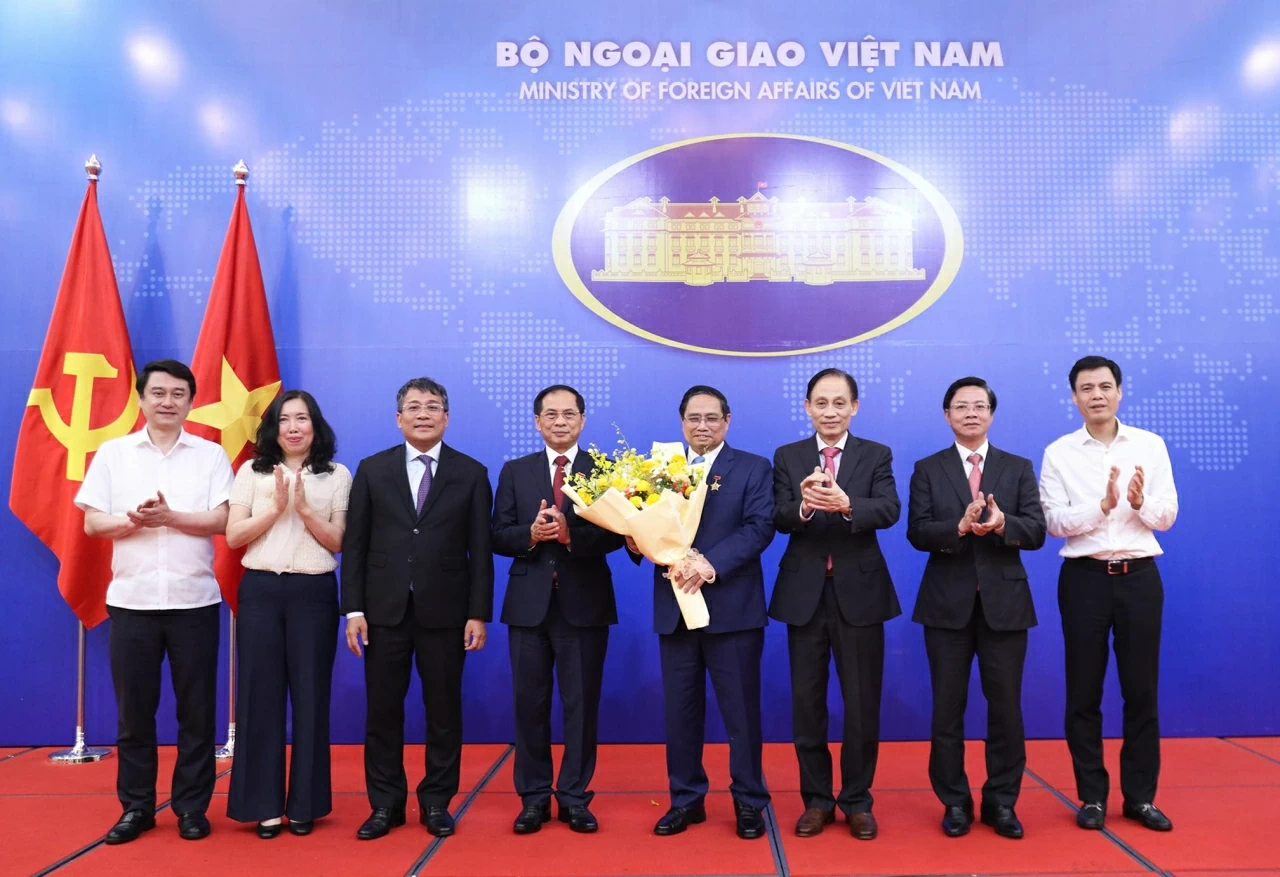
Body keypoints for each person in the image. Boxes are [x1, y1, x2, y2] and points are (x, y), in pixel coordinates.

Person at [75, 359, 234, 845]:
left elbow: (223, 520)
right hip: (132, 601)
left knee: (197, 711)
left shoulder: (210, 455)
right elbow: (92, 524)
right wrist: (134, 522)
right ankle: (137, 808)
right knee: (134, 713)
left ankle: (191, 808)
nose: (168, 402)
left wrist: (171, 516)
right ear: (141, 399)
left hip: (194, 601)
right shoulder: (113, 454)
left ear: (191, 400)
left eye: (179, 394)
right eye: (158, 393)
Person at [341, 377, 494, 840]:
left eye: (432, 407)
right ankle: (385, 805)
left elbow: (480, 551)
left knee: (444, 711)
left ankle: (435, 803)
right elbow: (357, 544)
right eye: (414, 406)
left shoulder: (471, 472)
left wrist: (478, 612)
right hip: (383, 612)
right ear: (398, 418)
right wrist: (354, 611)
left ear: (446, 418)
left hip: (446, 613)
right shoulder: (372, 469)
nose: (423, 413)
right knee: (382, 713)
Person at [1040, 355, 1178, 833]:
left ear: (1120, 391)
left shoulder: (1150, 445)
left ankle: (1140, 797)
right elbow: (1053, 522)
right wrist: (1099, 508)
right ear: (1074, 397)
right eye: (1086, 388)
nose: (1096, 395)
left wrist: (1141, 503)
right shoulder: (1059, 452)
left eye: (1104, 386)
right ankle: (1092, 797)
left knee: (1142, 691)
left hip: (1140, 577)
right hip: (1084, 580)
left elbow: (1167, 516)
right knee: (1084, 691)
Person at [907, 377, 1046, 840]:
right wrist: (959, 527)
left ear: (991, 413)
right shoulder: (928, 468)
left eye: (979, 405)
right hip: (946, 606)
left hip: (1005, 605)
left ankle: (1002, 802)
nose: (971, 413)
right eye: (961, 406)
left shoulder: (1018, 467)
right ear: (946, 415)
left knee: (1005, 708)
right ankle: (955, 802)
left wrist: (1004, 524)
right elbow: (918, 531)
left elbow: (1037, 531)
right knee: (947, 709)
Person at [633, 385, 775, 840]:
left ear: (727, 422)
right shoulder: (657, 471)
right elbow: (641, 526)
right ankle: (685, 799)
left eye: (712, 418)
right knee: (681, 711)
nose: (702, 426)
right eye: (694, 418)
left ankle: (750, 801)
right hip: (675, 609)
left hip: (731, 609)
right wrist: (634, 540)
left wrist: (709, 564)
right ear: (681, 422)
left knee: (741, 714)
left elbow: (759, 527)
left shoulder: (752, 467)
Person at [768, 368, 900, 841]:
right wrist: (804, 507)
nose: (830, 411)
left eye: (839, 403)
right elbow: (777, 516)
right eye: (821, 403)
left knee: (862, 705)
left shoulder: (876, 454)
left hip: (860, 596)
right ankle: (817, 801)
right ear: (807, 407)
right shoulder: (788, 456)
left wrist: (847, 504)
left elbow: (889, 509)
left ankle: (858, 801)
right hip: (805, 595)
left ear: (854, 407)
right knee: (808, 704)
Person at [491, 384, 625, 835]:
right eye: (551, 414)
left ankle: (574, 797)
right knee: (529, 704)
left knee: (581, 705)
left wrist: (572, 536)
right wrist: (530, 534)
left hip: (584, 603)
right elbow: (497, 534)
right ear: (537, 422)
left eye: (569, 414)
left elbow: (619, 535)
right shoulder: (515, 471)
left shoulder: (605, 470)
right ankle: (533, 798)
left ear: (583, 421)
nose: (560, 421)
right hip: (529, 606)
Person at [224, 391, 350, 838]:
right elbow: (235, 536)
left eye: (302, 419)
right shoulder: (251, 472)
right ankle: (263, 805)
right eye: (284, 419)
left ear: (316, 425)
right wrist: (276, 510)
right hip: (260, 590)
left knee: (312, 697)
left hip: (313, 592)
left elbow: (337, 541)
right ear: (272, 428)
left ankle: (305, 805)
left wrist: (303, 509)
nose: (293, 427)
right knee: (259, 697)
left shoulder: (337, 474)